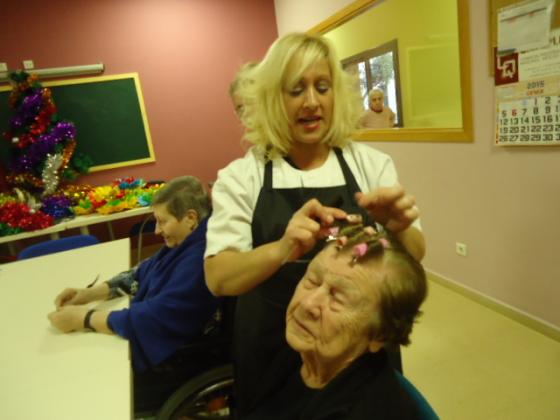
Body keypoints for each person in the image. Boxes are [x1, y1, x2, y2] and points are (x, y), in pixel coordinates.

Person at [204, 32, 425, 416]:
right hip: (271, 343)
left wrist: (399, 227)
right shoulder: (242, 177)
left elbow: (415, 255)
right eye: (296, 90)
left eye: (322, 87)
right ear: (273, 99)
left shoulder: (370, 164)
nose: (311, 102)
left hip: (354, 348)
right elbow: (220, 277)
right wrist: (283, 248)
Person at [47, 176, 220, 403]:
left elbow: (153, 317)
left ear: (190, 218)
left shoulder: (198, 260)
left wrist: (84, 318)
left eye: (162, 221)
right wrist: (87, 294)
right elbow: (141, 272)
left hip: (179, 359)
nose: (157, 231)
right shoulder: (185, 241)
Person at [246, 228, 428, 419]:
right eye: (313, 281)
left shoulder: (364, 410)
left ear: (380, 334)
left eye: (338, 299)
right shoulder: (299, 349)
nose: (308, 304)